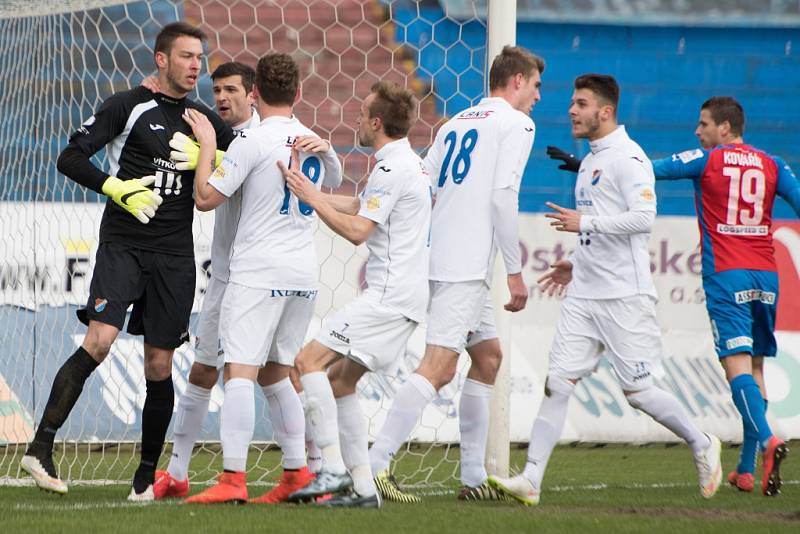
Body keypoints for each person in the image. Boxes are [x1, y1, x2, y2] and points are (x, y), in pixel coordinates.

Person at [20, 22, 236, 501]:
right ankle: (40, 446)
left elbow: (246, 161)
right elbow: (70, 158)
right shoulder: (128, 104)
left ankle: (144, 480)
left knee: (159, 364)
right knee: (99, 340)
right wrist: (114, 188)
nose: (195, 65)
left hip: (176, 255)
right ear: (161, 59)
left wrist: (210, 151)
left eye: (199, 57)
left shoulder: (203, 120)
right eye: (185, 56)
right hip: (124, 245)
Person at [489, 74, 723, 506]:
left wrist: (585, 224)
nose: (572, 111)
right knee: (557, 383)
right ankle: (532, 479)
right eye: (572, 103)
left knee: (639, 394)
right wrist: (574, 262)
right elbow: (601, 227)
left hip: (623, 296)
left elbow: (642, 219)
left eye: (580, 103)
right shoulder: (592, 160)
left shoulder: (629, 158)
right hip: (584, 295)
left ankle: (701, 440)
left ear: (606, 111)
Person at [366, 45, 542, 502]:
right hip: (464, 264)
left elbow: (426, 184)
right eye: (536, 85)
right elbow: (504, 197)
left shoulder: (457, 122)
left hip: (444, 255)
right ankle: (374, 465)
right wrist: (516, 273)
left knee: (488, 358)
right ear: (517, 81)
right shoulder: (518, 124)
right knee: (439, 367)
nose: (538, 97)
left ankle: (472, 479)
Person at [145, 61, 324, 501]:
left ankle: (264, 475)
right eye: (216, 89)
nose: (221, 97)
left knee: (248, 372)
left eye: (231, 90)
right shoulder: (302, 140)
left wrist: (210, 154)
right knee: (213, 370)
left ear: (254, 94)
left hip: (251, 274)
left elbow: (209, 195)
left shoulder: (251, 141)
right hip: (251, 272)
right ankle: (181, 471)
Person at [276, 80, 431, 508]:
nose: (356, 121)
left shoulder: (389, 168)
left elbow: (358, 231)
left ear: (377, 123)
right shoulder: (405, 163)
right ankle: (364, 489)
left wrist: (311, 199)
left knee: (307, 362)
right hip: (405, 298)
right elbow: (361, 206)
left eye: (362, 115)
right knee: (342, 382)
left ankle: (330, 468)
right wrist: (308, 191)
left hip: (387, 296)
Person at [651, 97, 798, 495]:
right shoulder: (773, 164)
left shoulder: (707, 160)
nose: (698, 132)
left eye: (703, 124)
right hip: (767, 276)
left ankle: (769, 441)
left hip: (726, 275)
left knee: (735, 367)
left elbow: (651, 170)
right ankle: (746, 469)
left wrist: (590, 167)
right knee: (756, 368)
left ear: (725, 128)